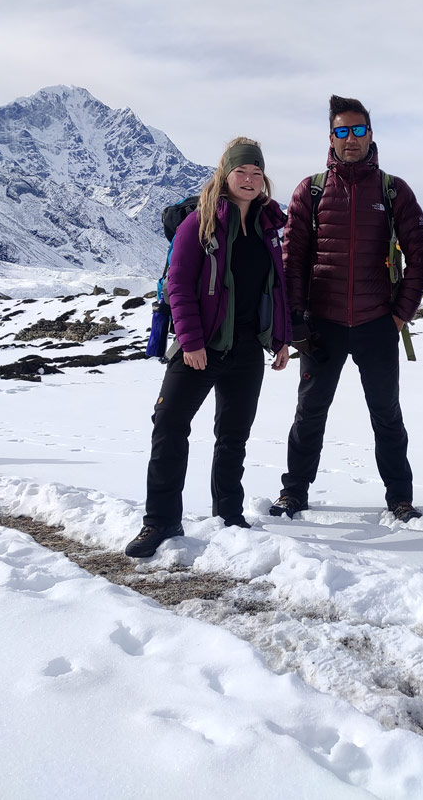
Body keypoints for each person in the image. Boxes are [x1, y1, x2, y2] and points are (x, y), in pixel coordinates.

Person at [125, 137, 291, 558]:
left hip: (249, 349)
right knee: (169, 425)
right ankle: (160, 520)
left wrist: (281, 340)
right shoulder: (198, 222)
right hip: (201, 348)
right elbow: (179, 285)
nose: (250, 179)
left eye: (256, 173)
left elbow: (278, 287)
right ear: (225, 174)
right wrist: (192, 342)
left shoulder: (271, 225)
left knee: (233, 436)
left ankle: (228, 514)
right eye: (241, 172)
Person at [271, 95, 423, 523]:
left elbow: (421, 254)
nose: (351, 139)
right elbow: (293, 259)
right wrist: (296, 320)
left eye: (358, 130)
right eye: (342, 131)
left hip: (377, 322)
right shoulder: (312, 189)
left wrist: (400, 312)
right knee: (309, 414)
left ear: (370, 135)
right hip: (321, 326)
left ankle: (400, 497)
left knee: (387, 415)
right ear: (331, 137)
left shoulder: (393, 189)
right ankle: (293, 493)